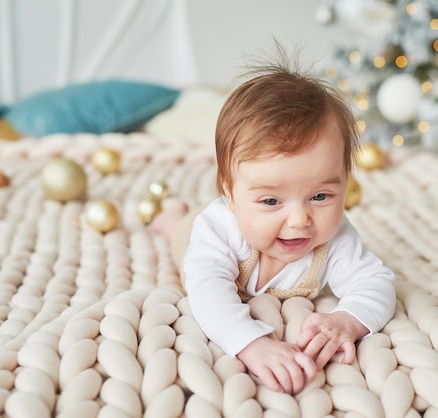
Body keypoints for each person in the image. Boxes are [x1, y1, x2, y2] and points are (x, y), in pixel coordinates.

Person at [152, 46, 396, 395]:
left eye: (320, 196)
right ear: (230, 192)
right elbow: (208, 291)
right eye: (270, 200)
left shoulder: (335, 237)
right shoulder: (218, 229)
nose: (299, 221)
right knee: (178, 231)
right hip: (192, 234)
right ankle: (170, 217)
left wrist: (347, 320)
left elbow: (376, 281)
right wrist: (252, 344)